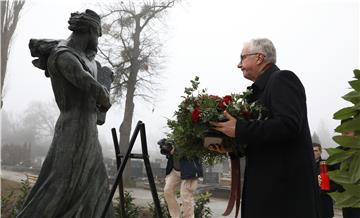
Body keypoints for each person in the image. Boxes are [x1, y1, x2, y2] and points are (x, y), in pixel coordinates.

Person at [18, 10, 114, 217]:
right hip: (73, 130)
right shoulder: (64, 56)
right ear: (89, 31)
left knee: (95, 184)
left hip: (88, 131)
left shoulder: (83, 56)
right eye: (98, 34)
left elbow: (94, 80)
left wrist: (105, 79)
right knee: (60, 185)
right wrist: (103, 93)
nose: (98, 40)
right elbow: (90, 86)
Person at [210, 38, 320, 218]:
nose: (239, 65)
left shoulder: (283, 79)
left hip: (285, 196)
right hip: (266, 192)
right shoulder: (256, 93)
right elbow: (262, 140)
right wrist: (232, 147)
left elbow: (288, 125)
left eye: (243, 58)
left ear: (259, 58)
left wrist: (239, 130)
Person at [160, 140, 203, 218]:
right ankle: (175, 216)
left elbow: (194, 154)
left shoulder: (190, 140)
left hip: (189, 171)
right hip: (175, 170)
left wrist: (177, 149)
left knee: (185, 196)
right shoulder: (173, 140)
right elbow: (168, 154)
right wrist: (166, 147)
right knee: (167, 190)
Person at [313, 143, 335, 218]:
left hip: (324, 201)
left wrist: (326, 189)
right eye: (311, 151)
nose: (313, 153)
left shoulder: (328, 164)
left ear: (320, 151)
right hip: (311, 203)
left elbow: (335, 182)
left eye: (316, 150)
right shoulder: (305, 166)